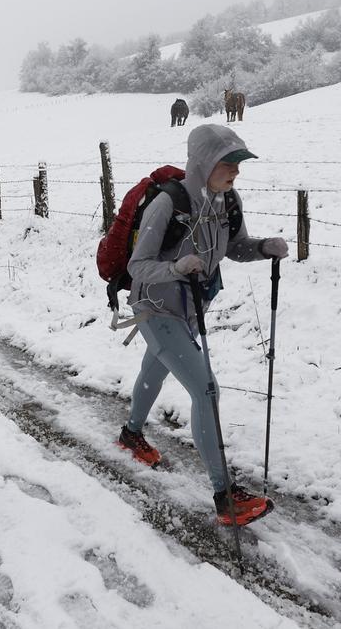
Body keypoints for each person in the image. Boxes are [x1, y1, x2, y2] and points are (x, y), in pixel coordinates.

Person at [118, 123, 288, 526]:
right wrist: (176, 267)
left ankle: (130, 434)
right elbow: (137, 266)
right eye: (228, 162)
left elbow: (234, 248)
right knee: (206, 390)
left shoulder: (228, 201)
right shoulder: (167, 204)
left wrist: (263, 248)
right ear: (203, 162)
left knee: (154, 370)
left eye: (238, 163)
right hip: (155, 308)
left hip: (193, 308)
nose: (235, 171)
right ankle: (224, 494)